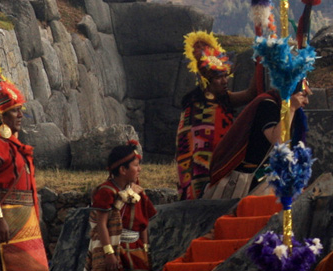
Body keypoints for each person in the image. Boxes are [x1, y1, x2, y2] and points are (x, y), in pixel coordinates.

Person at [0, 58, 47, 270]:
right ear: (1, 115)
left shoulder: (12, 144)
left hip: (25, 224)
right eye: (15, 110)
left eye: (20, 109)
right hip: (6, 220)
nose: (20, 115)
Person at [175, 31, 264, 200]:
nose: (225, 81)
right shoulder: (194, 105)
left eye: (225, 76)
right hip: (199, 173)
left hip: (222, 167)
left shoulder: (224, 98)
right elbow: (191, 147)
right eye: (219, 77)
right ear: (206, 79)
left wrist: (258, 62)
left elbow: (251, 94)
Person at [205, 83, 310, 200]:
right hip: (245, 180)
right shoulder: (267, 104)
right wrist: (290, 108)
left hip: (265, 176)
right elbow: (278, 141)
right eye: (303, 96)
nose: (306, 101)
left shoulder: (283, 107)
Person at [86, 141, 158, 271]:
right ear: (123, 170)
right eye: (136, 165)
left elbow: (143, 224)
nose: (140, 169)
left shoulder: (137, 191)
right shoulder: (106, 191)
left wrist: (146, 249)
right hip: (114, 248)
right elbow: (101, 224)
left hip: (136, 249)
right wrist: (109, 253)